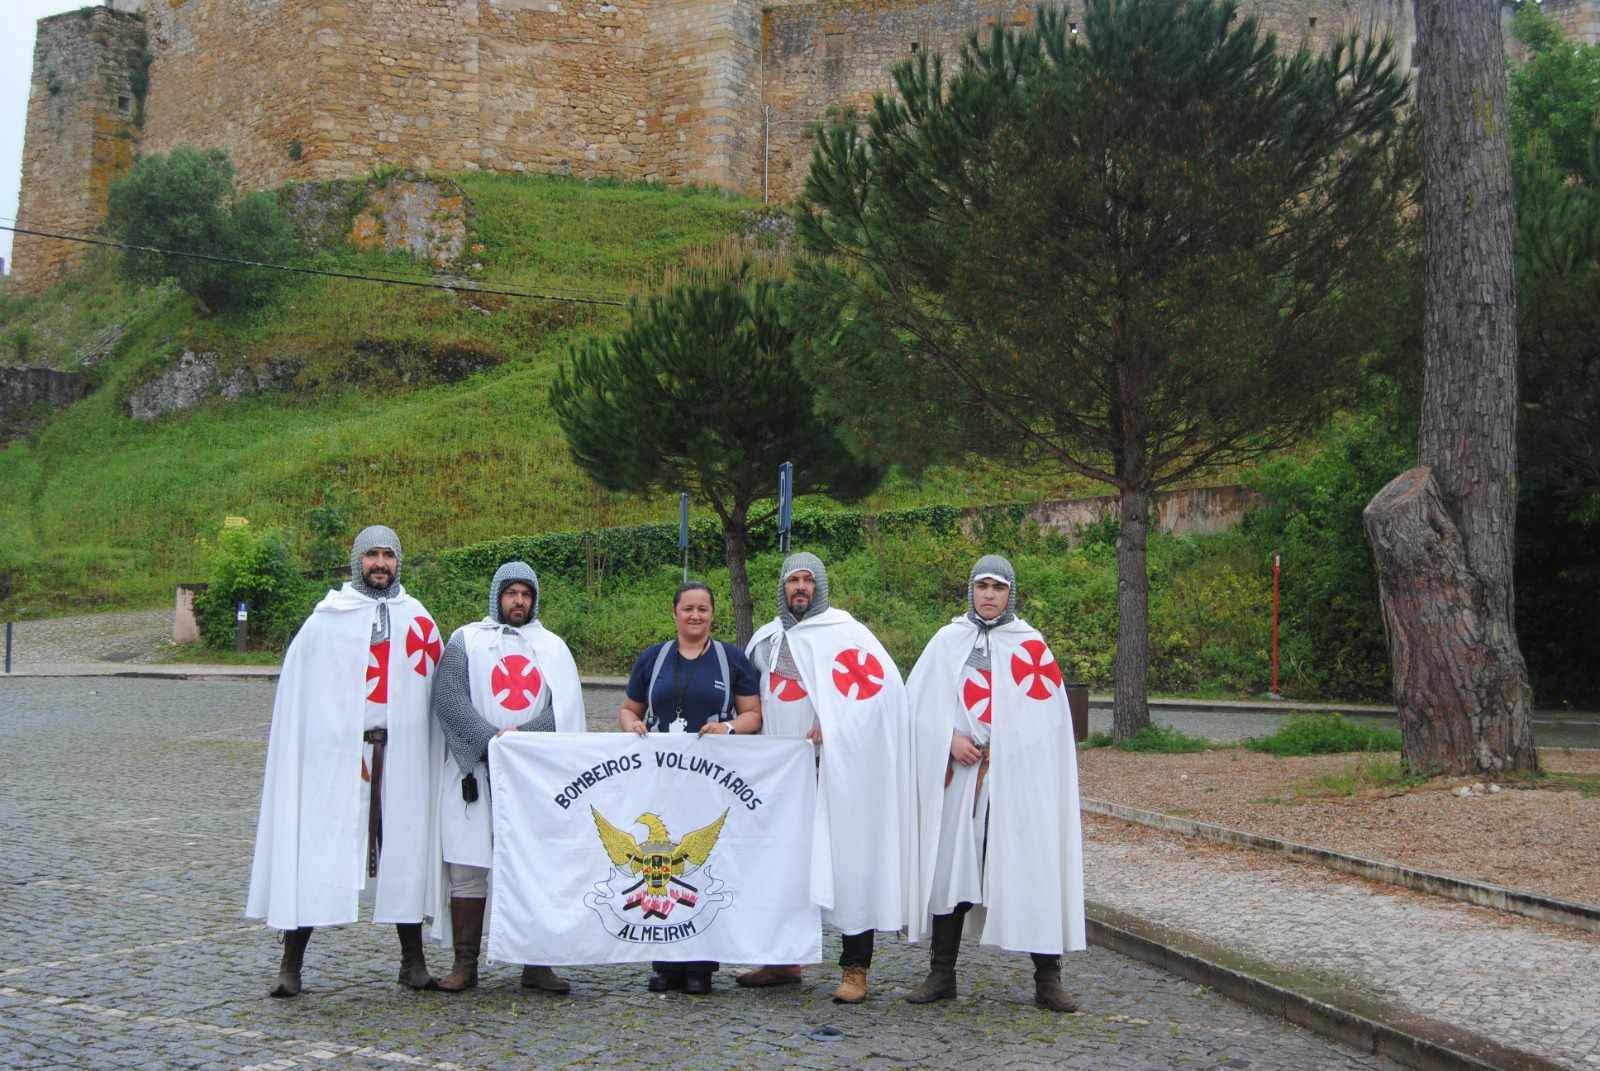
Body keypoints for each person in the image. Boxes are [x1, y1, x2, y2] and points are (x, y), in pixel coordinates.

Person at [246, 525, 444, 998]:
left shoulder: (418, 619)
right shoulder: (326, 621)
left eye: (389, 555)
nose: (381, 564)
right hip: (337, 759)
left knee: (405, 851)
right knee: (319, 848)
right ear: (358, 561)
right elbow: (300, 694)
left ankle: (413, 962)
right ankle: (291, 964)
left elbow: (440, 688)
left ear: (399, 562)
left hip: (402, 756)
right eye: (372, 555)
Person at [904, 555, 1085, 1012]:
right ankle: (941, 974)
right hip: (961, 780)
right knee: (951, 871)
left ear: (1010, 594)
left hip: (1015, 781)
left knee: (1031, 867)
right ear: (971, 590)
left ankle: (1048, 979)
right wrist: (949, 740)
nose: (989, 594)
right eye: (982, 586)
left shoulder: (1030, 645)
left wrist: (1009, 748)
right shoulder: (947, 641)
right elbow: (915, 707)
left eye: (998, 587)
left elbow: (1049, 723)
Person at [740, 552, 916, 1004]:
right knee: (782, 865)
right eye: (793, 580)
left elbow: (880, 696)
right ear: (782, 588)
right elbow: (749, 703)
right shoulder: (765, 641)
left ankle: (855, 968)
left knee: (850, 864)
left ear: (819, 587)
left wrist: (834, 721)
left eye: (808, 580)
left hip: (837, 773)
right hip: (782, 777)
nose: (800, 587)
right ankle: (783, 959)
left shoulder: (847, 635)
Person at [428, 560, 586, 994]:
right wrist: (490, 743)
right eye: (511, 593)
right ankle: (465, 964)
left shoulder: (552, 647)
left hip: (531, 777)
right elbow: (449, 698)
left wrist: (522, 743)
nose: (519, 601)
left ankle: (537, 963)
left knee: (535, 864)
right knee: (467, 865)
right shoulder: (466, 640)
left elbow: (564, 710)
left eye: (526, 594)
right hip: (474, 770)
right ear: (497, 596)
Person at [618, 580, 762, 995]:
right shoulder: (653, 658)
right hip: (661, 781)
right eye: (688, 609)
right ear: (675, 613)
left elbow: (753, 714)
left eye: (703, 609)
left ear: (712, 613)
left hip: (710, 782)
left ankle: (702, 964)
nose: (695, 615)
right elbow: (628, 709)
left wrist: (728, 728)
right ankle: (666, 963)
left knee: (701, 865)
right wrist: (633, 725)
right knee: (661, 866)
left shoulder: (731, 660)